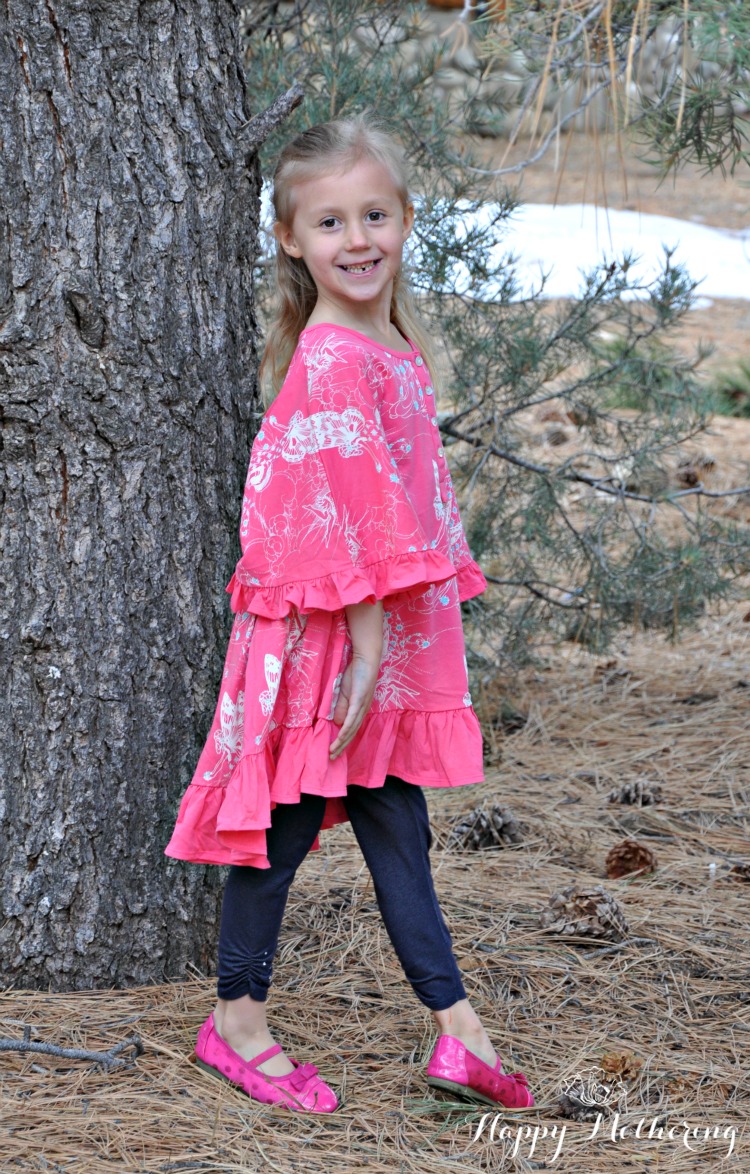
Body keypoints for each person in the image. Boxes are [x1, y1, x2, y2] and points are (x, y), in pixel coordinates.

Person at [165, 115, 534, 1115]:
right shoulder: (330, 354)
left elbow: (392, 491)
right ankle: (236, 1021)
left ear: (407, 218)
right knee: (282, 822)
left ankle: (461, 1033)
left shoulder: (384, 341)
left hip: (375, 629)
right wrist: (370, 639)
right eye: (331, 221)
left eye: (375, 213)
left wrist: (393, 628)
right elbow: (343, 501)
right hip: (326, 634)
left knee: (396, 819)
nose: (358, 237)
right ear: (293, 239)